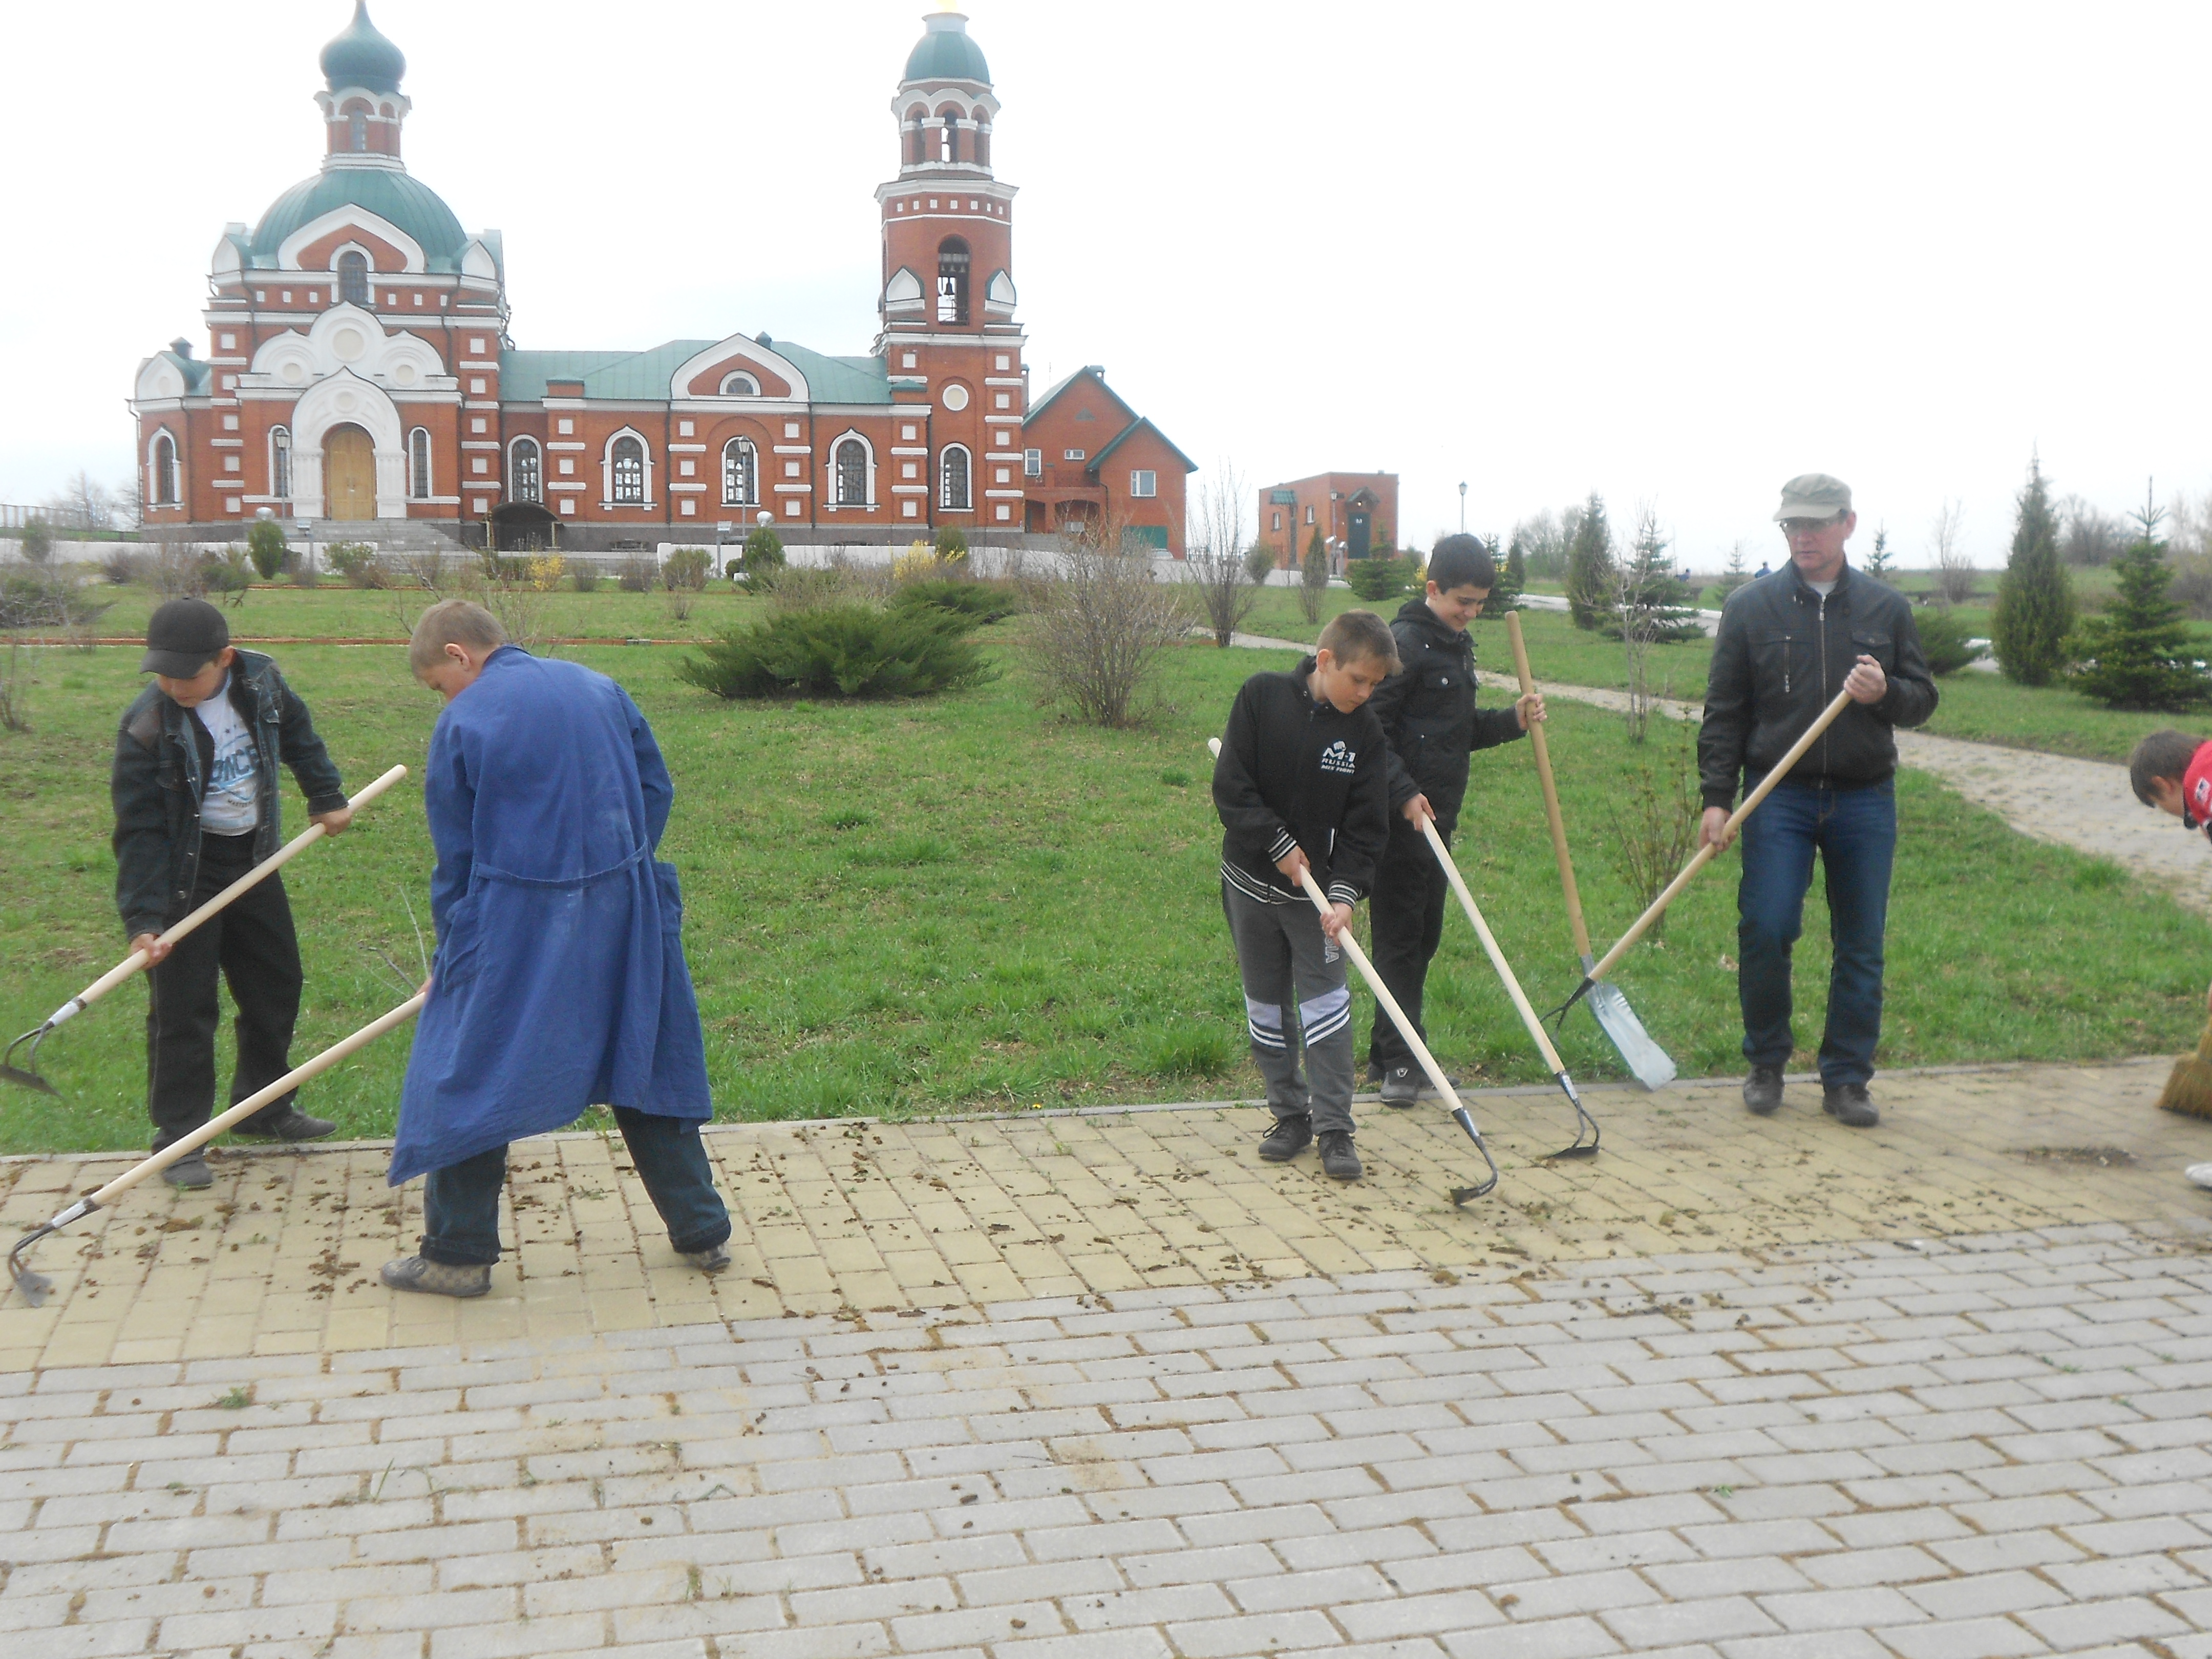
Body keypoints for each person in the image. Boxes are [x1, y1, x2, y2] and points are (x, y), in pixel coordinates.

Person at [382, 601, 731, 1298]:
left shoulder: (465, 720)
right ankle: (702, 1230)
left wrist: (453, 950)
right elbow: (655, 786)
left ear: (460, 655)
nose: (441, 699)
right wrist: (622, 861)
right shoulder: (599, 686)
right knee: (643, 1049)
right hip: (625, 906)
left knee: (472, 1067)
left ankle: (456, 1253)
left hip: (514, 916)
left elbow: (457, 855)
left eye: (436, 685)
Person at [1698, 474, 1938, 1128]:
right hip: (1779, 797)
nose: (1802, 536)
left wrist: (1884, 692)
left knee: (1861, 942)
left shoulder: (1886, 610)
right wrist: (1717, 797)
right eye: (1791, 526)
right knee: (1767, 926)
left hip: (1865, 798)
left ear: (1847, 524)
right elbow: (1724, 710)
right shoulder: (1752, 607)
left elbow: (1922, 699)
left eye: (1815, 524)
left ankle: (1847, 1080)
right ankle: (1766, 1062)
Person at [111, 597, 354, 1189]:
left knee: (276, 983)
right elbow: (138, 829)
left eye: (186, 673)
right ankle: (180, 1140)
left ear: (224, 658)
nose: (173, 685)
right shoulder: (147, 727)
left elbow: (298, 733)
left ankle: (264, 1107)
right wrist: (145, 918)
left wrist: (325, 795)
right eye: (162, 673)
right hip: (182, 880)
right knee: (184, 1009)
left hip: (253, 860)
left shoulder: (262, 681)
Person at [1212, 609, 1397, 1181]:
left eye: (1375, 685)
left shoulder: (1364, 734)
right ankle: (1289, 1114)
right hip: (1249, 885)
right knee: (1266, 1008)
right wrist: (1275, 842)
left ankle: (1335, 1128)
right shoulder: (1262, 698)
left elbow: (1368, 827)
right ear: (1325, 661)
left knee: (1326, 1012)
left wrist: (1343, 895)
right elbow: (1232, 787)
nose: (1365, 694)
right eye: (1358, 680)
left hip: (1317, 905)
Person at [1364, 535, 1543, 1104]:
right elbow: (1373, 733)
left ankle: (1392, 1052)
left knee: (1425, 936)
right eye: (1462, 602)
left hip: (1439, 820)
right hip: (1400, 821)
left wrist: (1511, 721)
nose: (1470, 614)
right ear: (1433, 588)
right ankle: (1400, 1062)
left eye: (1479, 605)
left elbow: (1456, 734)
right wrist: (1404, 795)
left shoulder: (1456, 648)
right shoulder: (1405, 645)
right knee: (1400, 938)